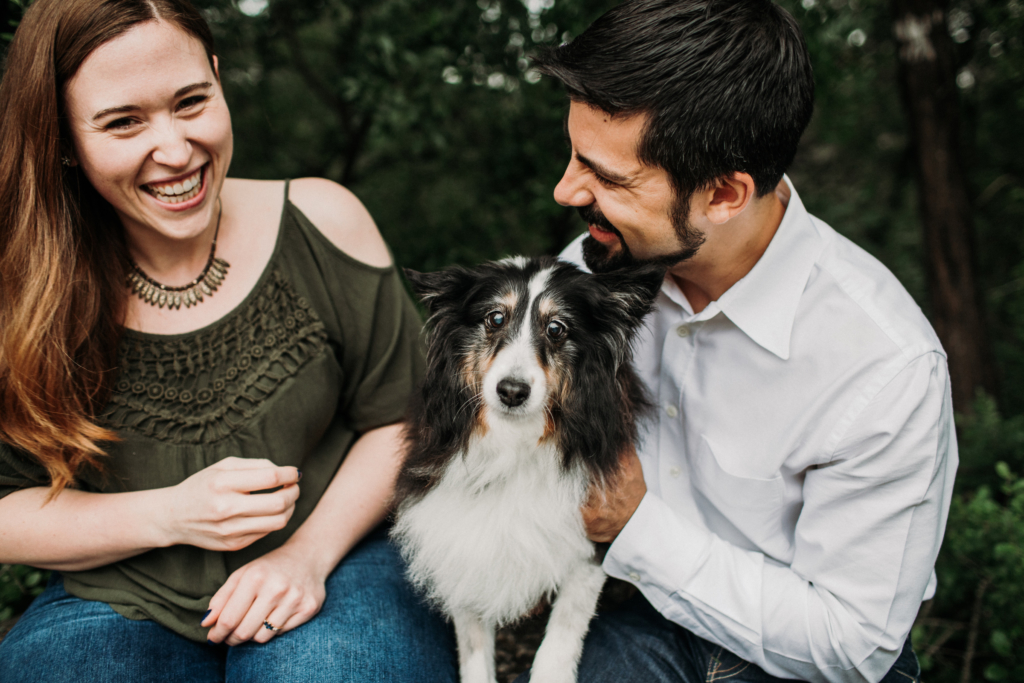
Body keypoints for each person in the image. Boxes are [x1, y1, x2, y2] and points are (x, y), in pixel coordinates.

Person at [0, 1, 456, 681]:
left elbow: (405, 415)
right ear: (64, 137)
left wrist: (305, 553)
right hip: (116, 590)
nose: (177, 151)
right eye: (124, 121)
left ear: (219, 78)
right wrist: (173, 514)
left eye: (191, 101)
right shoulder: (21, 286)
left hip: (341, 559)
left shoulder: (323, 219)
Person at [522, 1, 957, 682]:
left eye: (607, 177)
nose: (565, 190)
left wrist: (635, 524)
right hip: (633, 615)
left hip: (805, 655)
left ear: (724, 193)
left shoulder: (885, 365)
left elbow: (852, 642)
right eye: (576, 157)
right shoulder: (591, 268)